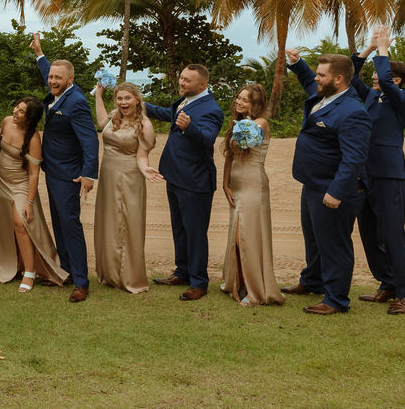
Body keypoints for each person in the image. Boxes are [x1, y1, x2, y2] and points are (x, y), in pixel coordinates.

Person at [282, 51, 371, 315]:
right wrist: (297, 65)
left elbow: (354, 158)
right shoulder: (326, 94)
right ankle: (312, 282)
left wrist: (336, 192)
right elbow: (308, 80)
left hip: (333, 189)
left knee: (334, 244)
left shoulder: (353, 111)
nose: (316, 79)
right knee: (314, 239)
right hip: (312, 184)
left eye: (321, 75)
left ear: (339, 79)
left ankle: (336, 300)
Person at [351, 26, 405, 315]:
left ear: (397, 79)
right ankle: (387, 283)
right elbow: (351, 77)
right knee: (368, 232)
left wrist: (384, 49)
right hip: (364, 174)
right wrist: (367, 50)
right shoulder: (369, 96)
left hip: (389, 174)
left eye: (383, 72)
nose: (376, 76)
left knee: (392, 234)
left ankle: (404, 293)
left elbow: (387, 83)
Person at [145, 63, 224, 302]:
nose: (181, 82)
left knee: (195, 232)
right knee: (179, 228)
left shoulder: (211, 109)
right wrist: (141, 105)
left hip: (195, 180)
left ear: (202, 85)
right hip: (175, 175)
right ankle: (182, 271)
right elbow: (167, 115)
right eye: (181, 78)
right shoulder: (186, 100)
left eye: (187, 80)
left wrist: (190, 128)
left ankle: (199, 282)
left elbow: (208, 139)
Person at [29, 33, 99, 303]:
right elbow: (49, 70)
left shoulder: (77, 102)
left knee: (70, 225)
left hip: (70, 175)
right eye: (51, 78)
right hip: (53, 171)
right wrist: (40, 54)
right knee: (59, 223)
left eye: (58, 78)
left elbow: (90, 141)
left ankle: (81, 281)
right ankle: (67, 270)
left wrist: (88, 174)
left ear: (71, 79)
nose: (52, 81)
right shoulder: (60, 91)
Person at [0, 96, 69, 291]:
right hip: (1, 181)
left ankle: (30, 272)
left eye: (21, 111)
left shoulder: (33, 138)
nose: (15, 112)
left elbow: (33, 173)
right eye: (16, 107)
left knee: (21, 223)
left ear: (30, 118)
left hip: (20, 184)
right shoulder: (6, 122)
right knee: (3, 223)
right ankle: (14, 264)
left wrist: (30, 203)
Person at [93, 82, 161, 294]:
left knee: (126, 223)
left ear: (137, 100)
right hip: (108, 175)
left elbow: (141, 156)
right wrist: (98, 96)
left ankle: (129, 276)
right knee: (109, 221)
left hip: (129, 176)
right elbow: (101, 122)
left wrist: (146, 169)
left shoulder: (145, 125)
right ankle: (110, 274)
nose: (123, 102)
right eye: (120, 99)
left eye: (127, 98)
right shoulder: (114, 116)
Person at [219, 83, 283, 306]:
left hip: (253, 183)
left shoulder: (260, 124)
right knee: (236, 234)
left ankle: (256, 291)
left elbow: (245, 147)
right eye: (238, 98)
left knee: (246, 235)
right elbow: (230, 155)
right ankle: (238, 283)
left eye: (245, 100)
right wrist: (225, 183)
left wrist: (240, 125)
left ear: (255, 104)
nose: (239, 102)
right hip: (236, 183)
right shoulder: (237, 123)